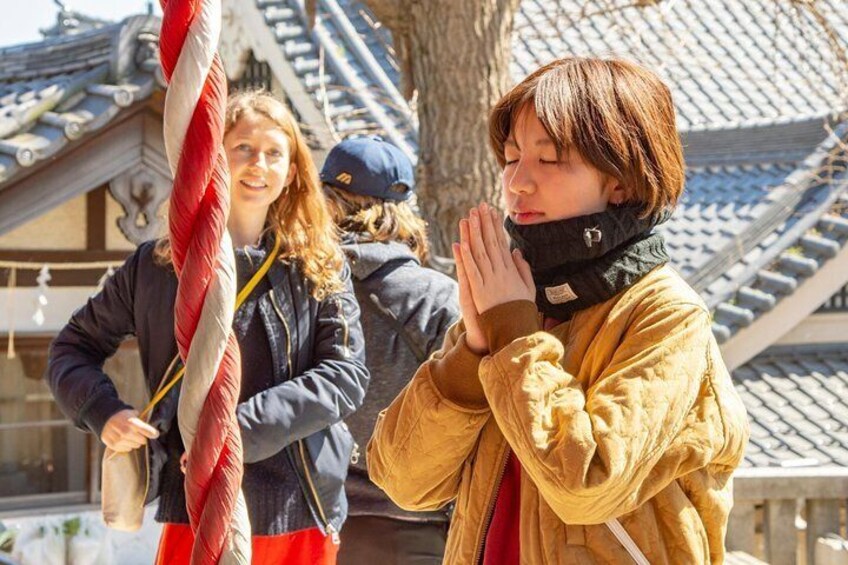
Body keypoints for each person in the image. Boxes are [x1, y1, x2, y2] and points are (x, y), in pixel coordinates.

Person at [368, 57, 750, 564]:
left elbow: (585, 486)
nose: (518, 182)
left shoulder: (666, 316)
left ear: (622, 181)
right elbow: (403, 480)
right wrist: (474, 349)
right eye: (510, 158)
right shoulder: (517, 303)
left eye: (549, 160)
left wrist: (512, 337)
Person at [46, 90, 369, 564]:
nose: (258, 164)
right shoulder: (155, 268)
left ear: (292, 172)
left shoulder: (318, 266)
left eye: (274, 153)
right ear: (212, 160)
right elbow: (71, 349)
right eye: (243, 148)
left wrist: (235, 428)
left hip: (296, 506)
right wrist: (103, 411)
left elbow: (346, 376)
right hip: (192, 505)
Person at [319, 137, 459, 565]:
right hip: (423, 529)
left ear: (327, 203)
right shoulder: (439, 297)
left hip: (319, 525)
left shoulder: (305, 291)